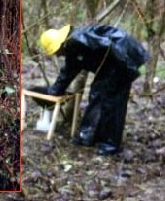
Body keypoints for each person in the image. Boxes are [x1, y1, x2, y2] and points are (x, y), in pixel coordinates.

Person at [27, 24, 150, 155]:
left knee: (112, 102)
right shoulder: (74, 45)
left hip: (122, 60)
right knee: (97, 94)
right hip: (114, 63)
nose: (57, 56)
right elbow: (69, 71)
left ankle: (110, 144)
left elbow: (111, 46)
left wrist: (126, 67)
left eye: (56, 52)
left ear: (60, 45)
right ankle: (89, 136)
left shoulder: (78, 40)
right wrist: (54, 91)